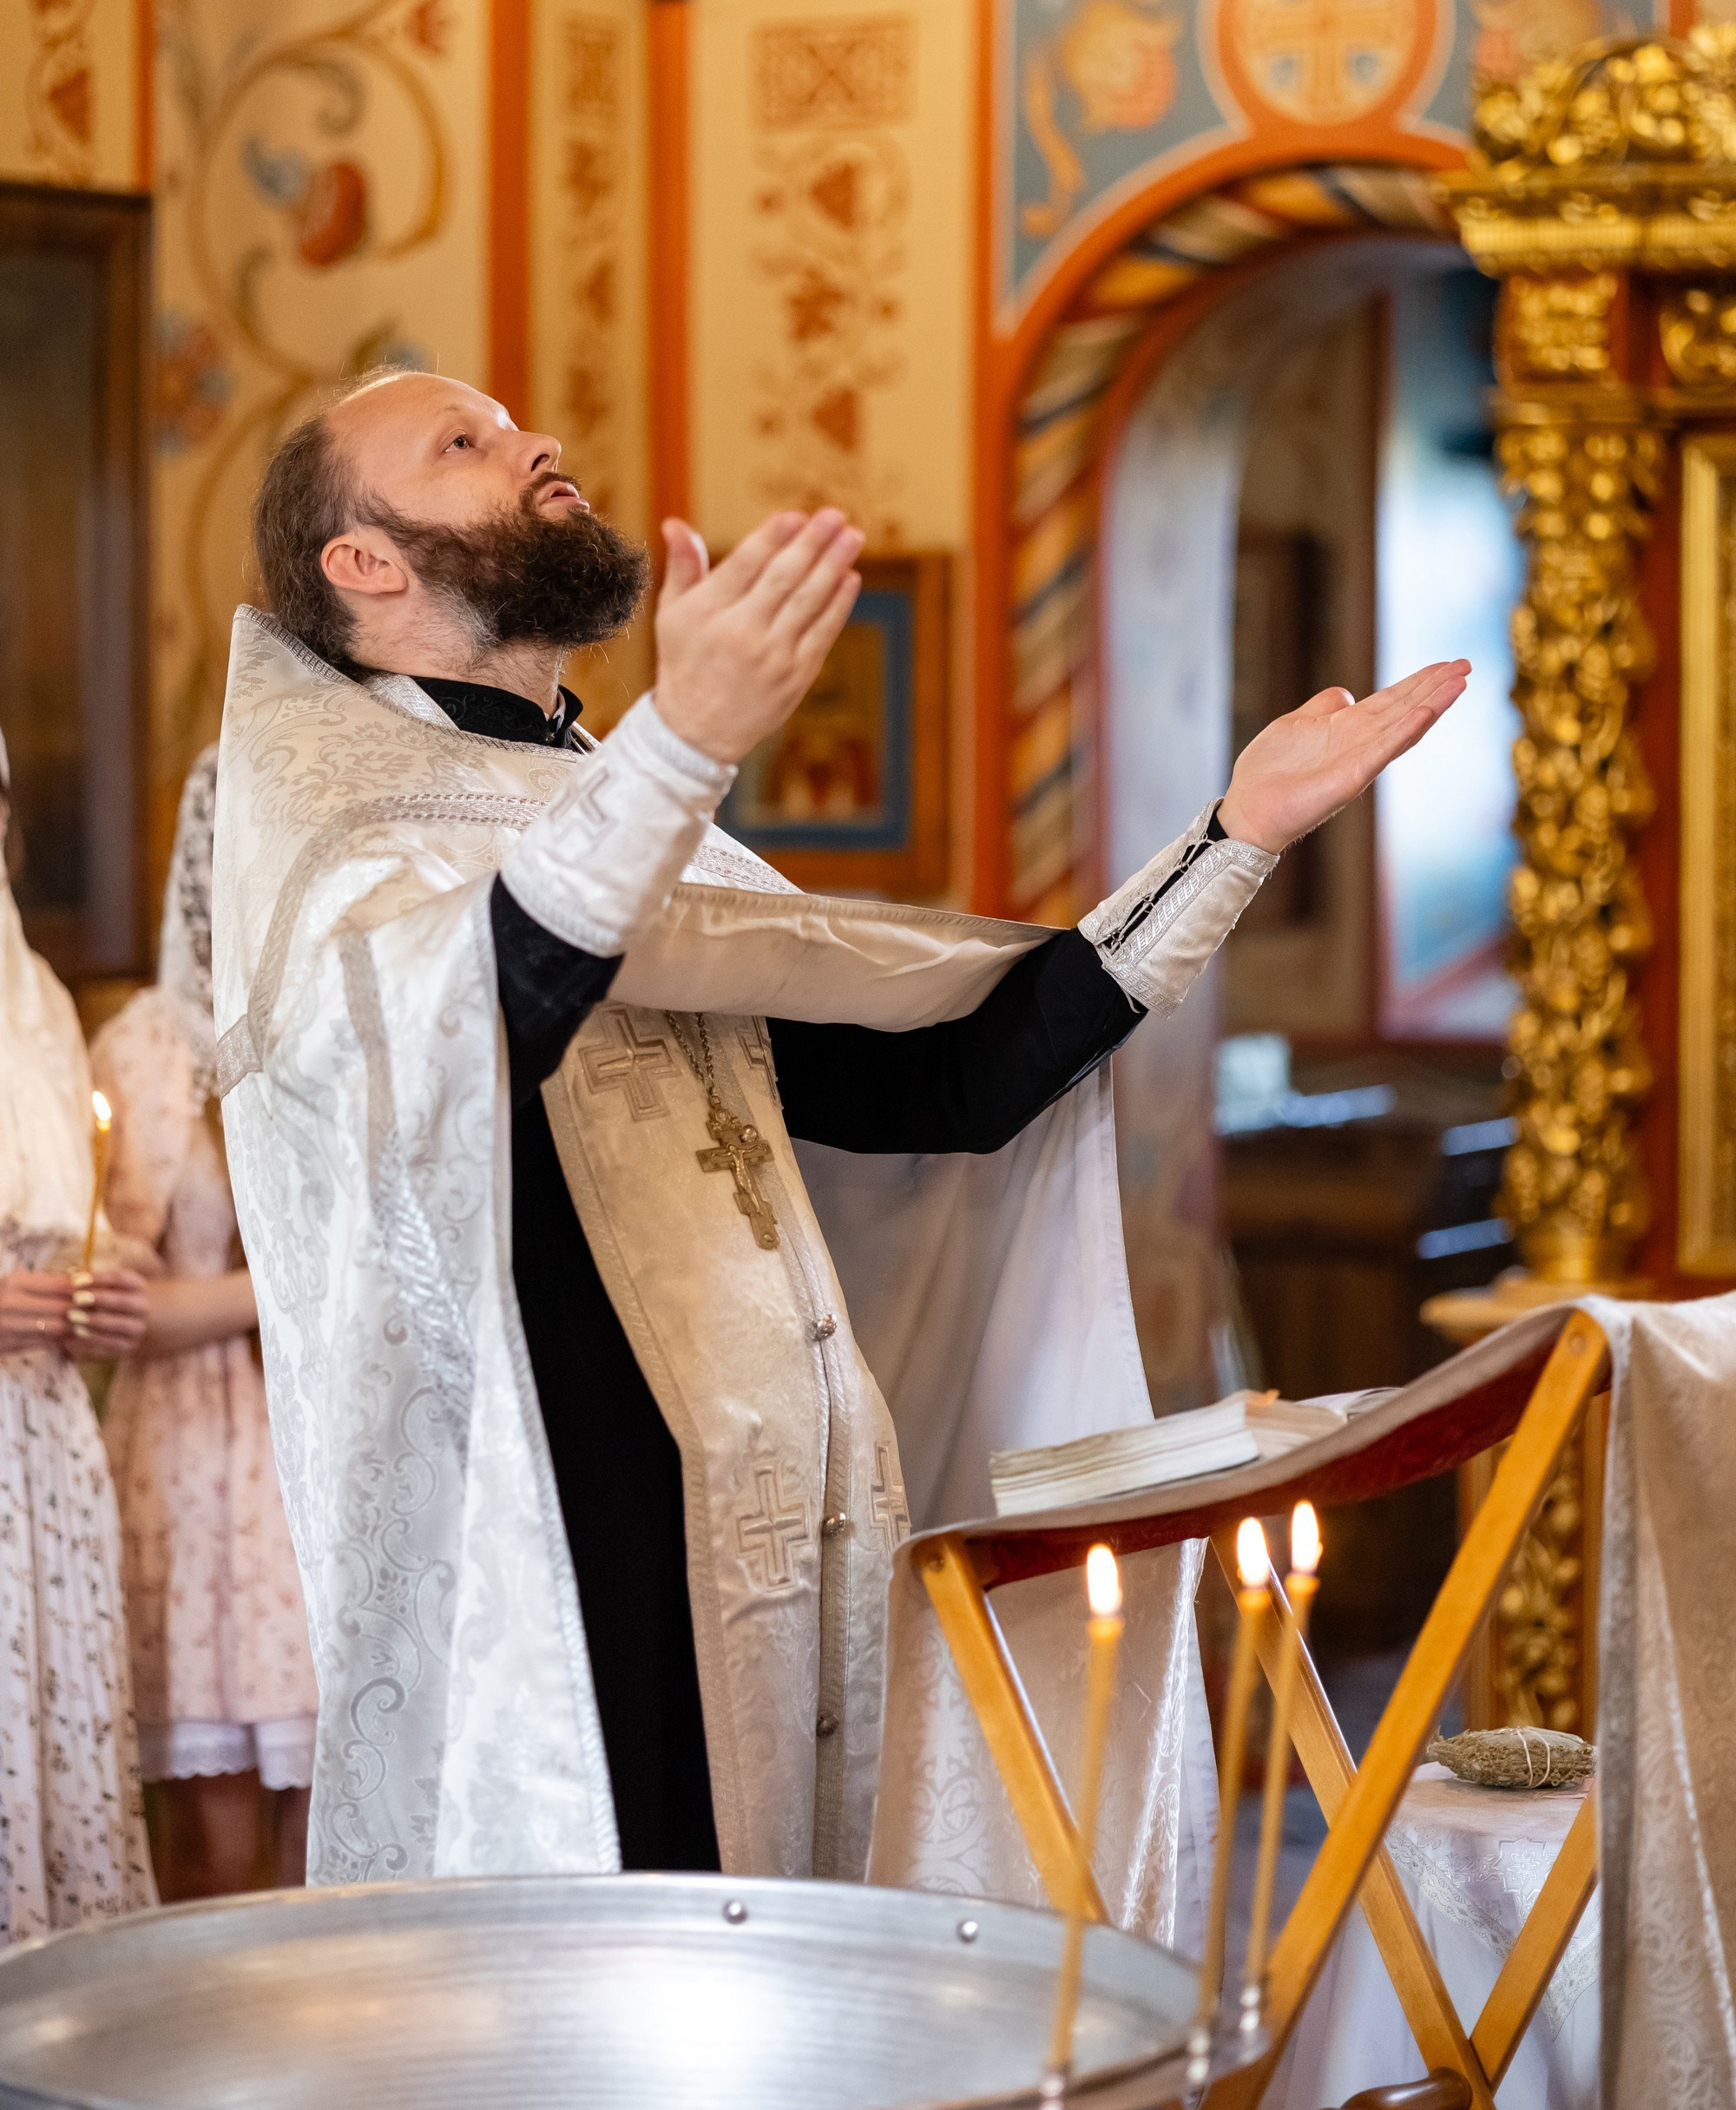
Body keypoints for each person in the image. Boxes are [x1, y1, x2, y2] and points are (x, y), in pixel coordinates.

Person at [214, 368, 1466, 1899]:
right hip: (564, 1549)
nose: (537, 440)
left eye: (517, 422)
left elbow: (939, 1090)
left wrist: (1233, 841)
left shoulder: (624, 806)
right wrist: (686, 740)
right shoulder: (349, 842)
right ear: (366, 563)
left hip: (785, 1522)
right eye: (461, 443)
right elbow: (474, 1014)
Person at [95, 749, 318, 1901]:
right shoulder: (144, 1048)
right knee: (216, 1848)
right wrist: (270, 1294)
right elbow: (120, 1304)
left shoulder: (343, 1022)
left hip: (318, 1447)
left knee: (329, 1841)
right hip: (193, 1464)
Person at [0, 730, 156, 1942]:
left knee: (52, 1731)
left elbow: (77, 1221)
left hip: (43, 1438)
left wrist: (105, 1284)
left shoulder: (41, 998)